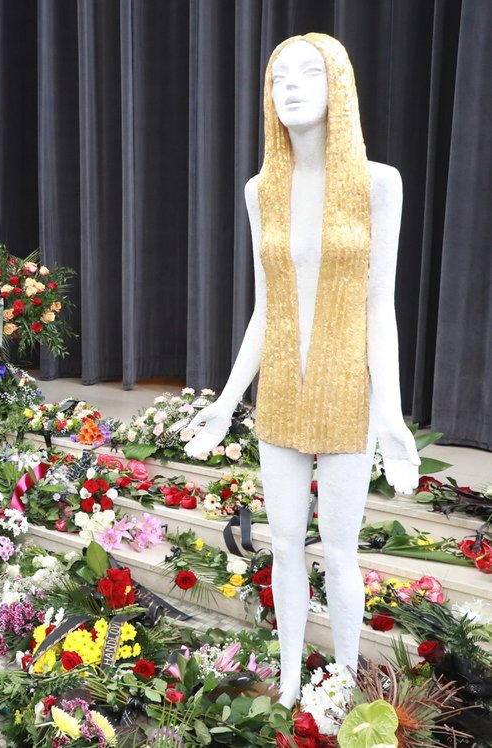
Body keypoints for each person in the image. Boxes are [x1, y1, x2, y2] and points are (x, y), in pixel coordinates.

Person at [183, 33, 419, 706]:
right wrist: (228, 401)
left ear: (336, 83)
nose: (286, 84)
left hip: (349, 389)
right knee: (285, 546)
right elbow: (267, 306)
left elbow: (381, 307)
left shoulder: (378, 185)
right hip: (282, 387)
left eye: (305, 72)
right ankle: (289, 680)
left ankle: (342, 681)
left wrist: (394, 414)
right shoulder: (264, 191)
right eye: (275, 75)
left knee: (339, 551)